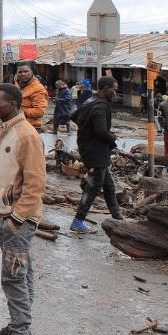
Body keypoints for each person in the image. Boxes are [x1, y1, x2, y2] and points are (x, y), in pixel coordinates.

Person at [0, 83, 45, 335]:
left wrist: (17, 219)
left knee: (14, 279)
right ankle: (19, 329)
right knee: (22, 277)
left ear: (13, 105)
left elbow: (36, 181)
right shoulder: (6, 129)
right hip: (7, 216)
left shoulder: (26, 135)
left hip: (17, 220)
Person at [69, 76, 123, 232]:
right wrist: (112, 138)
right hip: (96, 153)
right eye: (114, 88)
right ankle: (78, 221)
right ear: (106, 88)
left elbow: (74, 116)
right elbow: (100, 131)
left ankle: (117, 218)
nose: (115, 92)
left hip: (93, 150)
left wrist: (86, 131)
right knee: (93, 188)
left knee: (109, 186)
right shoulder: (100, 106)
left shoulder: (90, 101)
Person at [14, 62, 48, 131]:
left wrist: (19, 112)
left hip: (31, 127)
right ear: (17, 73)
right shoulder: (18, 85)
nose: (23, 74)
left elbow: (39, 111)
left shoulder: (38, 88)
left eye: (26, 71)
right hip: (18, 125)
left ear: (31, 72)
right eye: (20, 72)